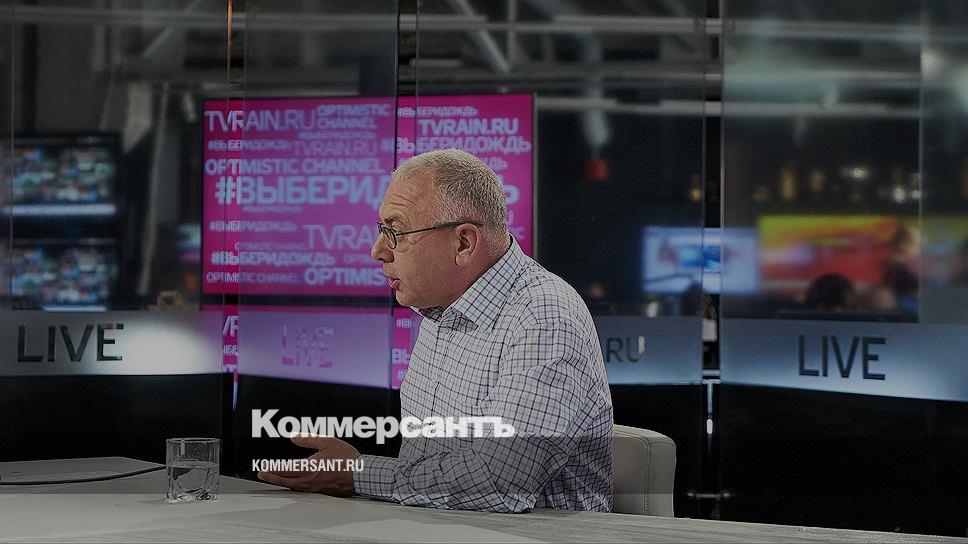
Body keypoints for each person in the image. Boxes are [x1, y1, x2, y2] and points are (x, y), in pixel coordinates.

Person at [257, 149, 614, 513]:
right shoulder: (440, 306)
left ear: (463, 243)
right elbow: (425, 471)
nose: (377, 251)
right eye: (382, 230)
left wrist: (358, 474)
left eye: (396, 232)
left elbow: (500, 482)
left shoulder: (543, 318)